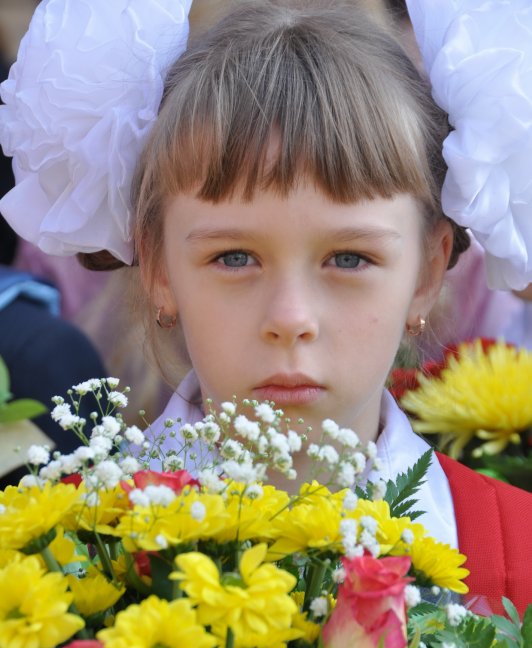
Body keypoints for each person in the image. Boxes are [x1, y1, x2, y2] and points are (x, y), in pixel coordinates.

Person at [1, 0, 531, 616]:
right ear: (159, 268)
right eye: (234, 257)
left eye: (350, 259)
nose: (290, 316)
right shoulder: (55, 556)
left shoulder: (516, 550)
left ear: (428, 271)